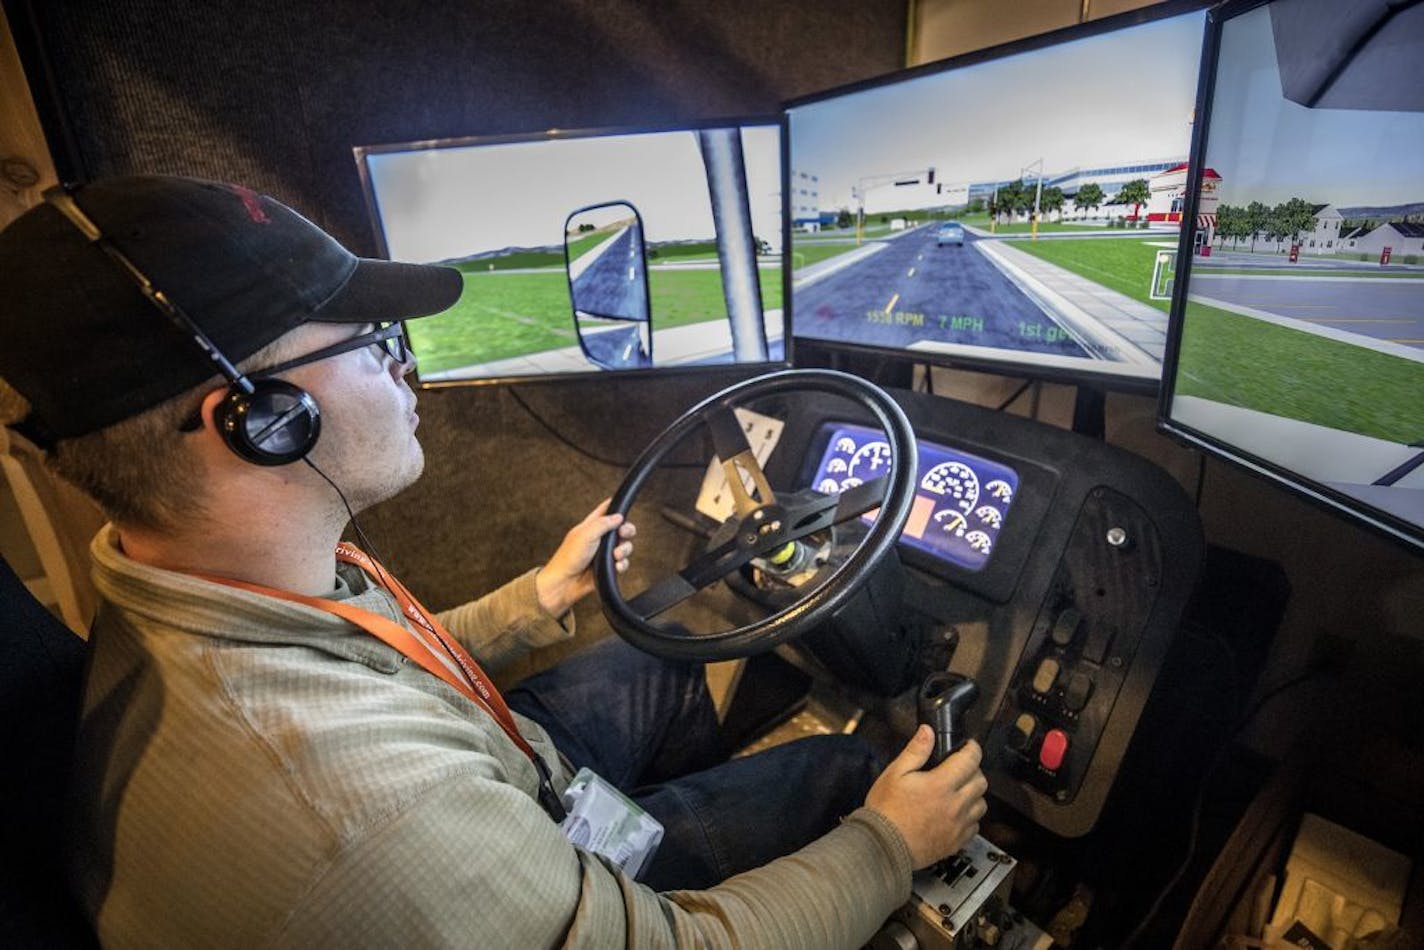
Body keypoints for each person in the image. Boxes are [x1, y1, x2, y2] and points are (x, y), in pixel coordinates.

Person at [0, 175, 987, 947]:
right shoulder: (374, 822)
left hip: (506, 785)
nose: (402, 364)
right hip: (495, 858)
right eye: (372, 339)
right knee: (856, 773)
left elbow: (375, 666)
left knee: (666, 648)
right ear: (262, 420)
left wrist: (535, 598)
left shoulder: (171, 575)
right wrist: (889, 841)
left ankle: (667, 829)